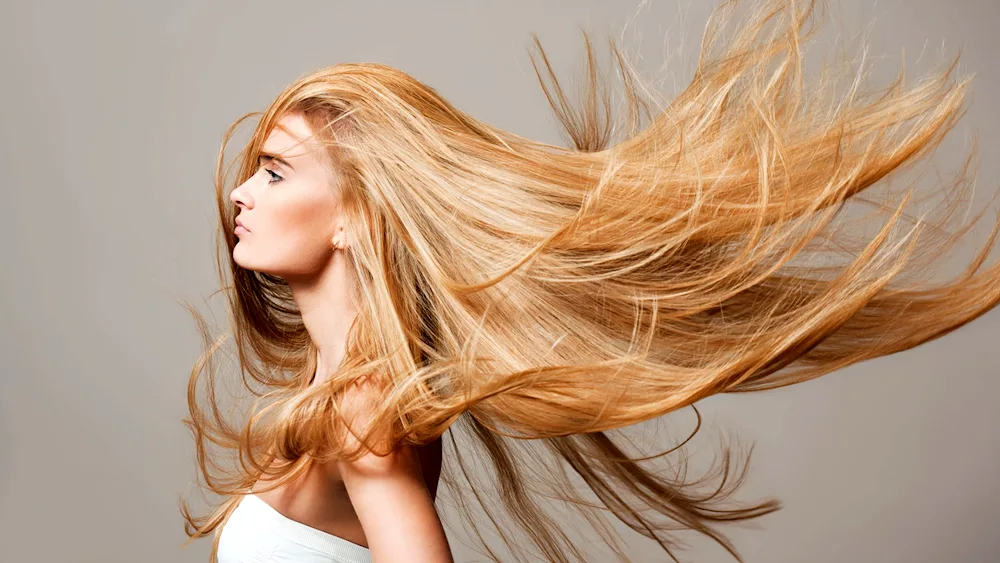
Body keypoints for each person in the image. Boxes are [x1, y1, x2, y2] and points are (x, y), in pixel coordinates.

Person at [179, 0, 1000, 561]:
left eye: (278, 173)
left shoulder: (364, 411)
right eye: (256, 170)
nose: (243, 193)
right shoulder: (336, 391)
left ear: (357, 214)